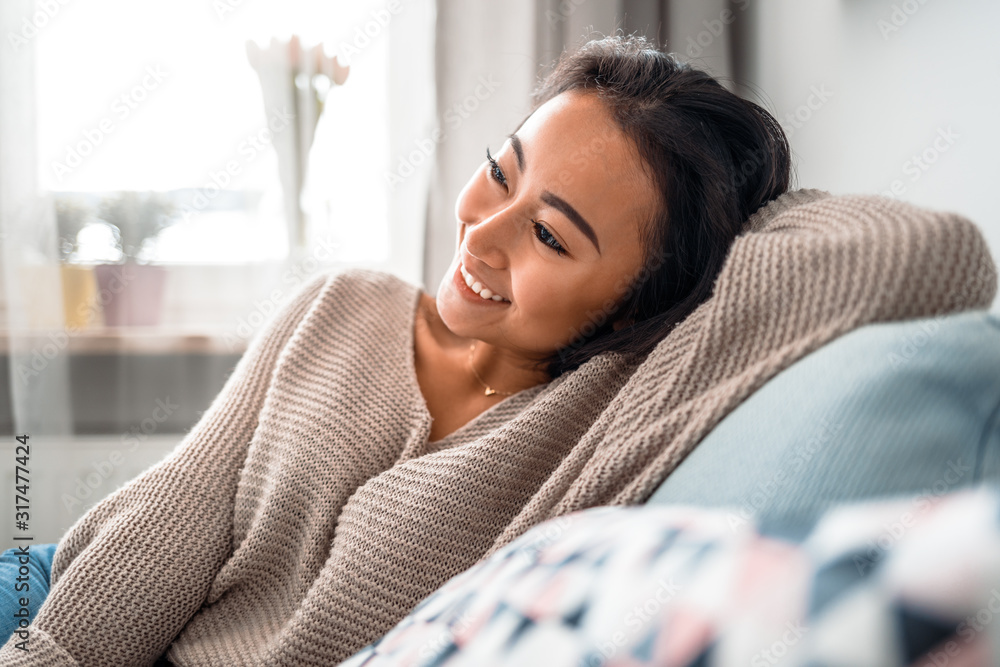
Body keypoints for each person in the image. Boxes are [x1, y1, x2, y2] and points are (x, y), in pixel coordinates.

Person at [0, 33, 790, 664]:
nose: (481, 233)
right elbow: (174, 515)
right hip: (71, 590)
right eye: (498, 172)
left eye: (548, 234)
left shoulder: (610, 423)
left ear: (637, 305)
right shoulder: (341, 305)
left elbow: (882, 256)